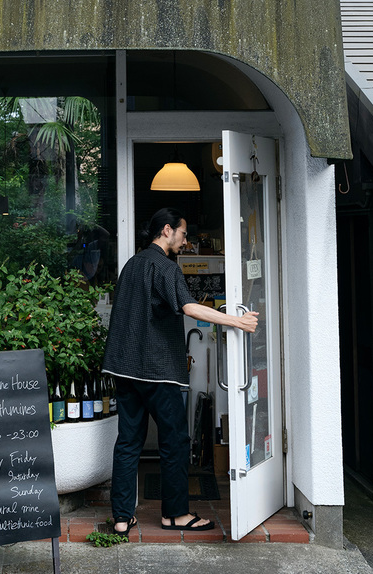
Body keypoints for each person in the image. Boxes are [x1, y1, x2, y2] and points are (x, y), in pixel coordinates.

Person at [102, 207, 259, 537]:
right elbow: (188, 307)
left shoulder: (132, 265)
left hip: (124, 369)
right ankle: (175, 515)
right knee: (175, 441)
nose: (186, 241)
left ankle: (120, 518)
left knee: (128, 441)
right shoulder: (165, 267)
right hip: (157, 371)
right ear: (166, 230)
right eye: (183, 234)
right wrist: (237, 320)